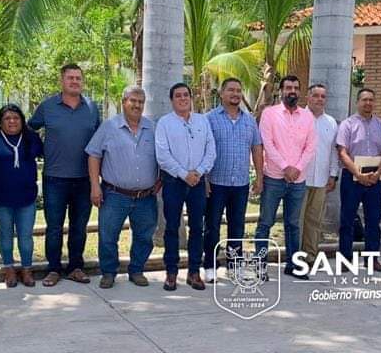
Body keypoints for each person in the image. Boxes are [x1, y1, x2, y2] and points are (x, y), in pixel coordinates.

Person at [28, 64, 102, 286]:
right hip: (55, 178)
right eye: (70, 78)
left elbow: (99, 141)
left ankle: (75, 267)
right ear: (62, 81)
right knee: (54, 227)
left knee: (79, 227)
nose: (74, 81)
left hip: (84, 179)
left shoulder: (92, 107)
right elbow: (30, 128)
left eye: (78, 78)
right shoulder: (48, 107)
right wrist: (41, 149)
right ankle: (53, 269)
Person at [86, 86, 159, 289]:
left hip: (145, 196)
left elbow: (162, 157)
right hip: (114, 194)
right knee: (108, 236)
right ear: (123, 102)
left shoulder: (152, 128)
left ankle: (136, 270)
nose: (137, 105)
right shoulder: (109, 127)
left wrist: (160, 179)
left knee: (144, 236)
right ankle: (108, 272)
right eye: (132, 100)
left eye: (140, 102)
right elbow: (93, 154)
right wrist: (94, 186)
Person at [156, 82, 216, 291]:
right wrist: (184, 174)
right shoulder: (164, 123)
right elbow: (162, 155)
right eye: (178, 96)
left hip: (198, 182)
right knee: (172, 228)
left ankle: (194, 272)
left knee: (197, 228)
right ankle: (171, 273)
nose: (183, 99)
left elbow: (211, 150)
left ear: (191, 98)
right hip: (174, 182)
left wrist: (198, 172)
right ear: (172, 100)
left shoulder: (202, 121)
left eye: (186, 95)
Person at [204, 78, 263, 283]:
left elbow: (256, 148)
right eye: (231, 90)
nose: (235, 94)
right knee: (211, 226)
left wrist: (259, 176)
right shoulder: (209, 119)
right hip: (216, 183)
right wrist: (205, 179)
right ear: (221, 93)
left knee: (237, 227)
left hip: (240, 184)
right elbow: (203, 150)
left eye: (238, 90)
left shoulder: (249, 121)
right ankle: (210, 267)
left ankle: (234, 267)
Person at [256, 75, 316, 279]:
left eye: (296, 87)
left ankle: (293, 265)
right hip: (274, 177)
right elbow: (267, 143)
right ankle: (260, 266)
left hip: (298, 180)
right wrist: (285, 167)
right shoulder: (269, 114)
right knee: (265, 223)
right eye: (288, 87)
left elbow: (311, 147)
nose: (292, 91)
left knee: (293, 224)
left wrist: (297, 168)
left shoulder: (307, 117)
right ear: (281, 91)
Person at [0, 104, 43, 288]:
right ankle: (9, 268)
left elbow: (49, 152)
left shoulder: (31, 138)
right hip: (0, 195)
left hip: (26, 196)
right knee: (6, 233)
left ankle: (26, 269)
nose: (12, 121)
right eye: (7, 118)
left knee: (26, 235)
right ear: (0, 122)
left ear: (22, 120)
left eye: (16, 118)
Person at [337, 88, 381, 260]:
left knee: (373, 221)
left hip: (375, 179)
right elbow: (342, 152)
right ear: (358, 102)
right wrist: (358, 174)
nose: (368, 103)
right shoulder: (347, 124)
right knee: (347, 220)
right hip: (352, 178)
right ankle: (345, 259)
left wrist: (378, 173)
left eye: (371, 100)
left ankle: (372, 259)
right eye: (364, 100)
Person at [300, 83, 340, 263]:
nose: (319, 99)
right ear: (308, 98)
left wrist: (333, 175)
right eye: (315, 95)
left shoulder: (331, 122)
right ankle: (296, 255)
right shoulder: (298, 118)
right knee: (297, 220)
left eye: (323, 96)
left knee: (315, 220)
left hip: (322, 179)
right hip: (299, 178)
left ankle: (310, 255)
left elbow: (333, 151)